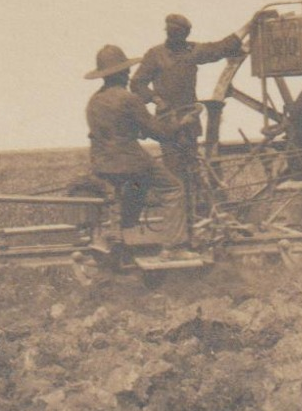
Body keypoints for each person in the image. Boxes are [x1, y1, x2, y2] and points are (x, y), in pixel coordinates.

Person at [84, 44, 195, 251]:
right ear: (123, 73)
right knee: (173, 188)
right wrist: (182, 123)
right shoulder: (128, 99)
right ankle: (176, 248)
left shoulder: (94, 101)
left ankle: (124, 235)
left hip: (102, 164)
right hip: (129, 162)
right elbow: (159, 132)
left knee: (138, 185)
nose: (128, 75)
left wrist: (138, 129)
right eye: (126, 71)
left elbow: (116, 128)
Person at [130, 13, 243, 188]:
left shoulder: (193, 52)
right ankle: (181, 209)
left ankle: (196, 209)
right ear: (167, 32)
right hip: (166, 123)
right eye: (171, 32)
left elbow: (220, 48)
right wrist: (155, 98)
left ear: (185, 34)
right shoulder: (155, 55)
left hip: (189, 121)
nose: (174, 36)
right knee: (174, 172)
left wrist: (250, 26)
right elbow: (137, 83)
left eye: (179, 33)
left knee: (193, 169)